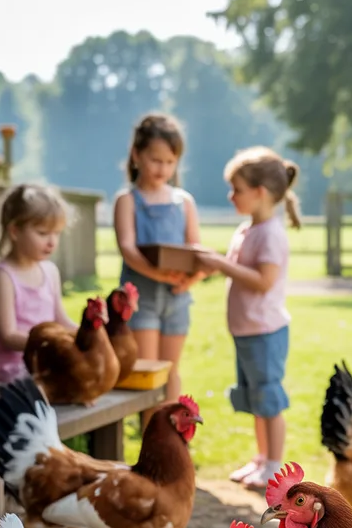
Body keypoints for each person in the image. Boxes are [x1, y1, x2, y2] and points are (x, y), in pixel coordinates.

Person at [196, 146, 300, 491]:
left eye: (237, 189)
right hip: (246, 332)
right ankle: (262, 458)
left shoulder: (271, 233)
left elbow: (263, 280)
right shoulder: (246, 229)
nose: (231, 196)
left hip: (264, 332)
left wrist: (220, 264)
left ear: (260, 193)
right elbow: (232, 269)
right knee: (256, 400)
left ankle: (274, 466)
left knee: (268, 401)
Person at [114, 112, 204, 409]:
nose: (162, 168)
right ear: (136, 155)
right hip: (141, 299)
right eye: (155, 159)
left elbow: (196, 250)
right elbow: (127, 248)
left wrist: (191, 278)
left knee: (170, 371)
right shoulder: (127, 201)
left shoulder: (184, 201)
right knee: (148, 373)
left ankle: (173, 444)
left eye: (169, 161)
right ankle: (150, 441)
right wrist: (160, 275)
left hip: (177, 298)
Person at [0, 184, 76, 385]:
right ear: (15, 231)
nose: (52, 242)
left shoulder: (50, 271)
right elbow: (7, 336)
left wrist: (86, 334)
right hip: (10, 368)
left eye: (57, 233)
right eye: (43, 233)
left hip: (42, 362)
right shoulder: (4, 276)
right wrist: (49, 343)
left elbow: (60, 319)